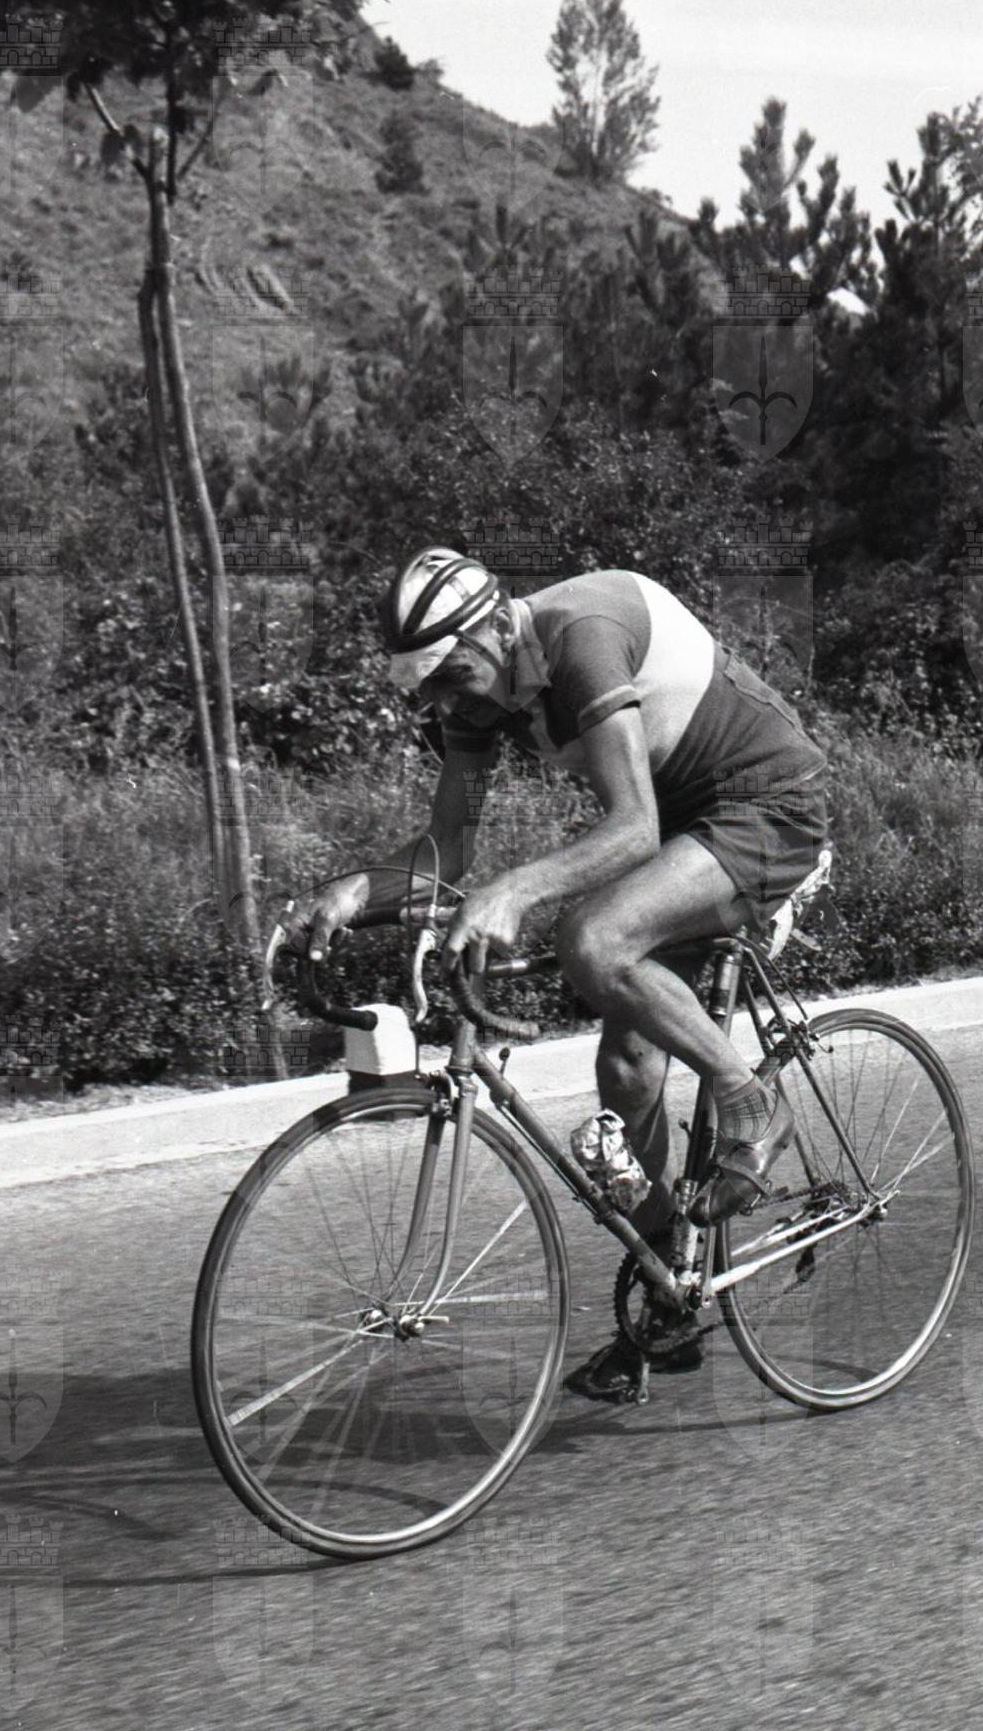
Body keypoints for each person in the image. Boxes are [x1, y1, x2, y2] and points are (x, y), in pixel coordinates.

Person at [284, 546, 830, 1401]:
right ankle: (670, 1291)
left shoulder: (581, 637)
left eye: (450, 675)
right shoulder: (482, 697)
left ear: (496, 628)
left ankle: (746, 1097)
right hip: (684, 832)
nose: (442, 701)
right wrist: (357, 890)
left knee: (593, 939)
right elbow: (448, 847)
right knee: (627, 1067)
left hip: (762, 802)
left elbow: (631, 828)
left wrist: (515, 892)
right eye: (426, 688)